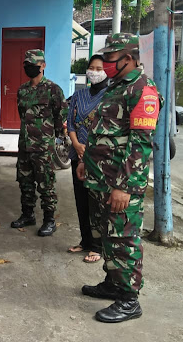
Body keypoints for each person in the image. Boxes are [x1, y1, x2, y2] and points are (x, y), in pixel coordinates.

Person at [76, 33, 162, 323]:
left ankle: (129, 299)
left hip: (120, 184)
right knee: (107, 237)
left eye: (110, 59)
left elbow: (140, 144)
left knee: (124, 238)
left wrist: (124, 188)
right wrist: (86, 163)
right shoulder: (115, 87)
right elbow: (103, 133)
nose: (105, 64)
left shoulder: (142, 90)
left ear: (128, 58)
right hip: (100, 179)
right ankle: (112, 284)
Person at [11, 49, 67, 237]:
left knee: (46, 184)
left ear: (43, 66)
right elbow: (22, 115)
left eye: (33, 65)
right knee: (25, 182)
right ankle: (28, 215)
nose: (29, 68)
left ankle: (49, 220)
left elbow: (61, 115)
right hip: (24, 144)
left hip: (43, 147)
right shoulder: (22, 90)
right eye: (26, 65)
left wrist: (54, 137)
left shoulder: (53, 89)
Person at [66, 55, 108, 263]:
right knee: (81, 199)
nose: (94, 71)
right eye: (91, 67)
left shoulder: (109, 95)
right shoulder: (79, 95)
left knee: (96, 202)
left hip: (98, 158)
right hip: (77, 152)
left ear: (106, 70)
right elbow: (70, 122)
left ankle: (97, 246)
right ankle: (85, 240)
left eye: (98, 68)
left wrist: (87, 150)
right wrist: (75, 144)